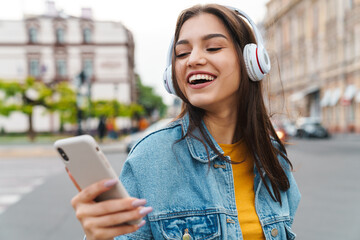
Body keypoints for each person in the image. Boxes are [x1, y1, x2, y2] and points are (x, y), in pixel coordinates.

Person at [70, 4, 300, 240]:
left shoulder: (274, 158)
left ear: (252, 61)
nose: (194, 60)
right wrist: (99, 236)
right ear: (172, 75)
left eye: (212, 47)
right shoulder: (149, 158)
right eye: (182, 53)